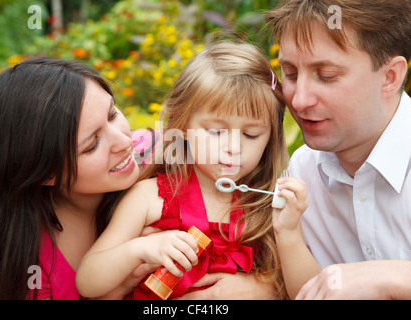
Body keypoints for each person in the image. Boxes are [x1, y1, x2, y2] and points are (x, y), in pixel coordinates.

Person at [76, 41, 314, 300]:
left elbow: (310, 293)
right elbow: (88, 281)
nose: (233, 148)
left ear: (270, 138)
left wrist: (287, 235)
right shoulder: (150, 197)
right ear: (183, 126)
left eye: (251, 134)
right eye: (216, 132)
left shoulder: (267, 203)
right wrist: (140, 249)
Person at [0, 57, 145, 299]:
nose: (125, 142)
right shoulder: (32, 273)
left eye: (112, 115)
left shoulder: (164, 155)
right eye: (91, 146)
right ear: (46, 173)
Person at [266, 0, 411, 299]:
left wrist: (392, 277)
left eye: (327, 75)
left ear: (390, 77)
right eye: (290, 73)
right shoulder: (301, 172)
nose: (300, 100)